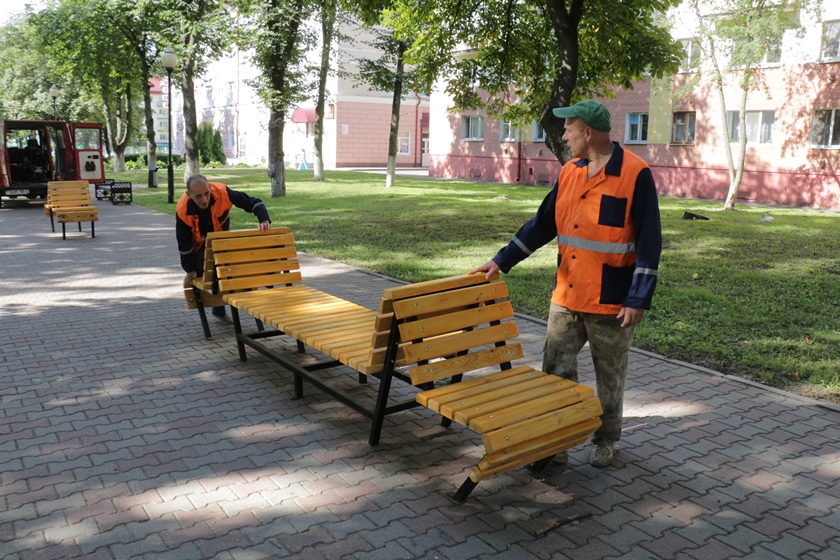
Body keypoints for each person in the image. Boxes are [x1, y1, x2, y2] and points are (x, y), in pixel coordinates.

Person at [471, 100, 662, 467]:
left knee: (610, 376)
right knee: (555, 373)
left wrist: (638, 298)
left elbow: (649, 241)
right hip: (567, 295)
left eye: (568, 130)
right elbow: (542, 224)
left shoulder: (635, 174)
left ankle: (605, 438)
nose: (563, 136)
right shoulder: (570, 172)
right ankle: (557, 439)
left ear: (587, 133)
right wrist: (501, 260)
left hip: (611, 300)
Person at [176, 174, 271, 318]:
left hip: (221, 243)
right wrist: (189, 270)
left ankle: (228, 305)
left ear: (210, 188)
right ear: (189, 195)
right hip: (200, 248)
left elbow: (254, 202)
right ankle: (221, 306)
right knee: (211, 267)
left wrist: (264, 220)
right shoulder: (183, 210)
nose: (204, 200)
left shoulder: (223, 192)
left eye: (207, 193)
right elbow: (183, 243)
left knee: (230, 265)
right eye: (198, 196)